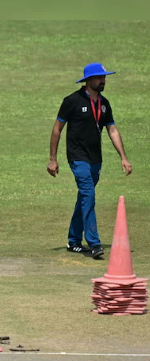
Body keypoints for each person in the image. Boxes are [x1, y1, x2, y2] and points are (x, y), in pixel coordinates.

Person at [48, 62, 132, 259]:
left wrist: (124, 157)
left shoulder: (104, 104)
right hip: (77, 158)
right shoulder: (72, 101)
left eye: (104, 77)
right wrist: (53, 159)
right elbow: (57, 129)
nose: (103, 81)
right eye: (99, 77)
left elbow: (112, 130)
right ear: (88, 80)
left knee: (85, 198)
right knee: (88, 194)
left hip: (96, 159)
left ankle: (74, 240)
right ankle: (94, 244)